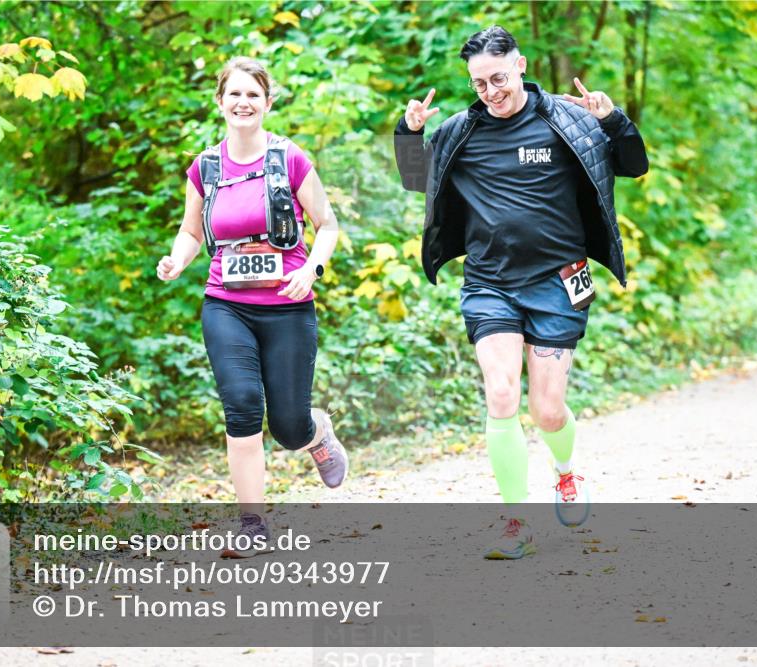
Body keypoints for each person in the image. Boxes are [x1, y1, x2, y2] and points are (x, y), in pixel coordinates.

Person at [393, 26, 648, 559]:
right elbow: (418, 180)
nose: (491, 91)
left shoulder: (568, 119)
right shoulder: (460, 131)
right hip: (490, 282)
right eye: (480, 82)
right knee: (502, 394)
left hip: (559, 282)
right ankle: (516, 523)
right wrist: (409, 131)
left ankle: (565, 471)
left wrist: (611, 118)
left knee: (548, 409)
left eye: (499, 78)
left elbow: (633, 164)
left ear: (522, 65)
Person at [157, 57, 347, 557]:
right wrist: (177, 260)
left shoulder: (291, 160)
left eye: (253, 95)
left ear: (267, 103)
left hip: (288, 306)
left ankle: (315, 431)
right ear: (220, 102)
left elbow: (326, 225)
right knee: (241, 406)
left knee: (287, 427)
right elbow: (192, 231)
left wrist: (312, 270)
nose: (243, 103)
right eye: (234, 94)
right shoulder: (206, 167)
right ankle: (252, 525)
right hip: (226, 305)